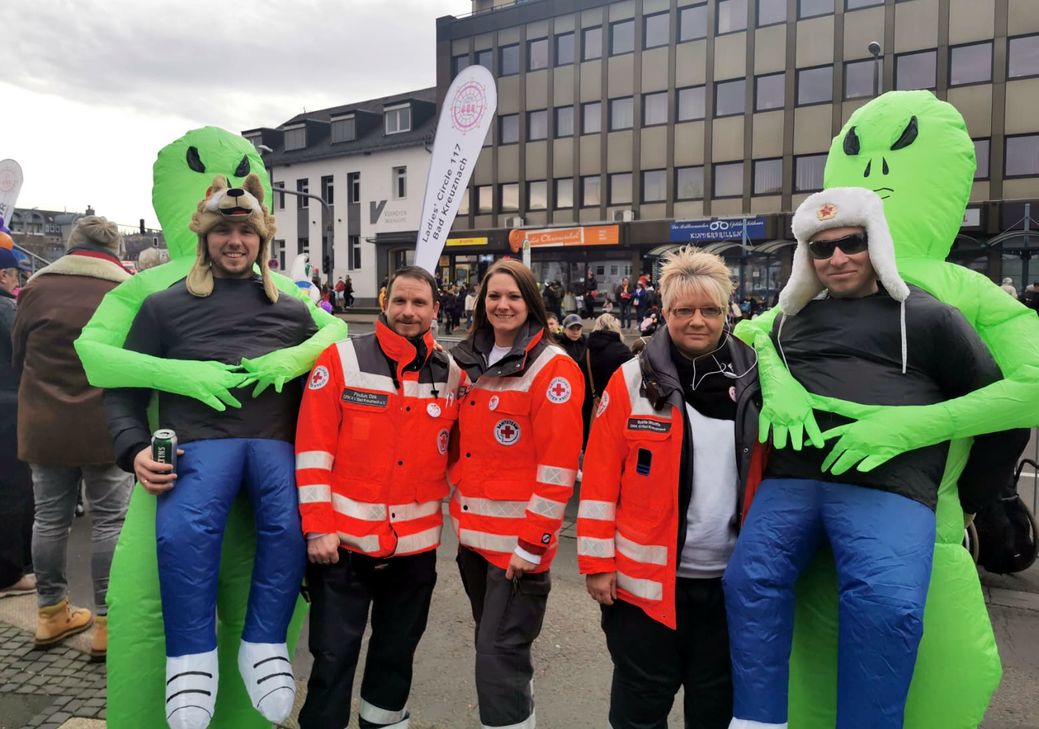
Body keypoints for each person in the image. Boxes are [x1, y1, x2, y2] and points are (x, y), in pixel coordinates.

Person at [723, 188, 1008, 729]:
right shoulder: (789, 321)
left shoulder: (929, 317)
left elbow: (997, 406)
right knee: (748, 582)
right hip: (793, 480)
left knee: (886, 606)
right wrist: (769, 376)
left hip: (889, 488)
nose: (837, 258)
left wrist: (973, 499)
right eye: (821, 248)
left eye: (850, 242)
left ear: (874, 242)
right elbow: (747, 357)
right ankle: (757, 721)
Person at [104, 175, 315, 729]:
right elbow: (121, 392)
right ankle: (190, 661)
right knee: (182, 536)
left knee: (289, 529)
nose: (236, 242)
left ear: (262, 240)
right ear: (205, 237)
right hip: (197, 451)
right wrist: (132, 451)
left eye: (247, 231)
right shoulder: (162, 308)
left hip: (274, 448)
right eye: (224, 230)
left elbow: (330, 383)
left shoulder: (294, 313)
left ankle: (265, 644)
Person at [578, 248, 762, 729]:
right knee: (639, 712)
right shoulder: (631, 380)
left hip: (729, 589)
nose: (697, 321)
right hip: (644, 592)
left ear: (729, 311)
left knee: (715, 711)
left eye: (710, 310)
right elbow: (598, 479)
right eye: (684, 310)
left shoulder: (758, 379)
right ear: (664, 312)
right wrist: (597, 564)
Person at [295, 265, 467, 729]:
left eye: (419, 304)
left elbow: (465, 454)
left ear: (435, 310)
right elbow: (312, 452)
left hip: (414, 552)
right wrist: (317, 529)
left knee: (395, 659)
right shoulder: (341, 360)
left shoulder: (452, 375)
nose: (408, 312)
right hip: (342, 549)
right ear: (386, 302)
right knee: (332, 661)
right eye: (400, 302)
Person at [449, 259, 584, 729]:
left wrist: (534, 543)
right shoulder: (469, 362)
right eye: (493, 296)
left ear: (531, 303)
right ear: (481, 304)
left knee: (497, 661)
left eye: (513, 296)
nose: (502, 305)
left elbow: (558, 468)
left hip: (518, 553)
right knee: (503, 660)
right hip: (474, 544)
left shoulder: (554, 370)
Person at [11, 217, 134, 659]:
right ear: (113, 248)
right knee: (109, 522)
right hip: (106, 425)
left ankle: (50, 613)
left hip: (44, 423)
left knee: (49, 520)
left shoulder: (38, 288)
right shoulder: (123, 290)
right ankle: (106, 623)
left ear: (70, 245)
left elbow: (18, 351)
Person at [0, 243, 35, 600]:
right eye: (14, 275)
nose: (15, 281)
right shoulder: (7, 310)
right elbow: (25, 350)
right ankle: (10, 573)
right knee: (13, 490)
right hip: (9, 409)